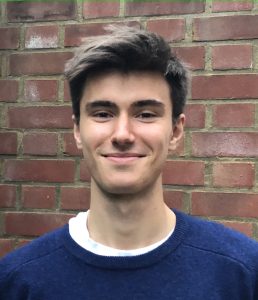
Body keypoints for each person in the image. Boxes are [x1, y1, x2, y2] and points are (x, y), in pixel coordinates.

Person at [0, 25, 258, 300]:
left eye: (145, 114)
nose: (122, 134)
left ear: (175, 131)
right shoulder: (17, 281)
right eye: (102, 113)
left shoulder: (241, 272)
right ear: (77, 130)